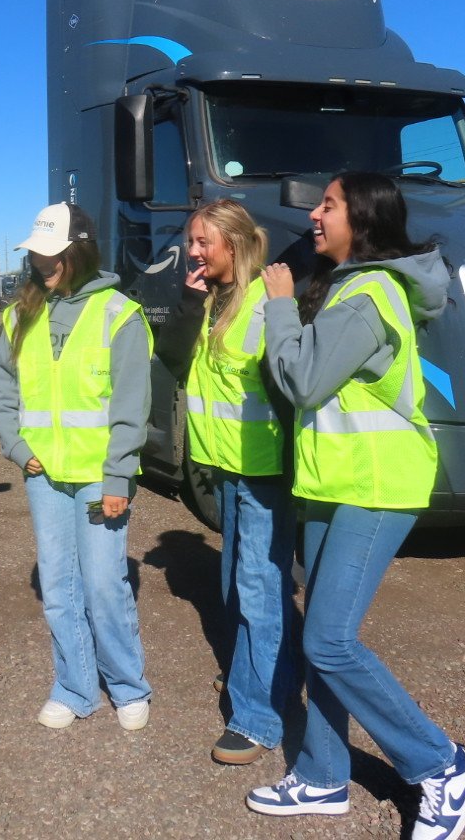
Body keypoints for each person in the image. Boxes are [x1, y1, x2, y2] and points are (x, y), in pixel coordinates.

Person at [244, 173, 465, 840]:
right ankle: (323, 776)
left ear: (365, 217)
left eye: (328, 205)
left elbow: (304, 380)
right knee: (320, 642)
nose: (314, 216)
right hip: (335, 484)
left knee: (328, 638)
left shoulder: (371, 293)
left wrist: (281, 307)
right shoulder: (349, 287)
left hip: (378, 486)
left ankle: (443, 766)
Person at [0, 202, 153, 730]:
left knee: (105, 584)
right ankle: (74, 686)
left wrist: (119, 476)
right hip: (44, 475)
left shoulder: (119, 314)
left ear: (79, 249)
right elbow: (3, 391)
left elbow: (132, 405)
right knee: (59, 586)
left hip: (99, 476)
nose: (42, 263)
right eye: (36, 253)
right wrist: (17, 446)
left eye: (52, 253)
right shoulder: (18, 315)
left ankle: (128, 686)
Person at [153, 200, 296, 766]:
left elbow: (291, 386)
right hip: (227, 468)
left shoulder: (267, 302)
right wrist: (188, 300)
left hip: (264, 471)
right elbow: (171, 358)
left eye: (202, 243)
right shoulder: (212, 300)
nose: (192, 251)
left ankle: (258, 718)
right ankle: (255, 675)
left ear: (233, 245)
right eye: (192, 241)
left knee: (259, 590)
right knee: (242, 584)